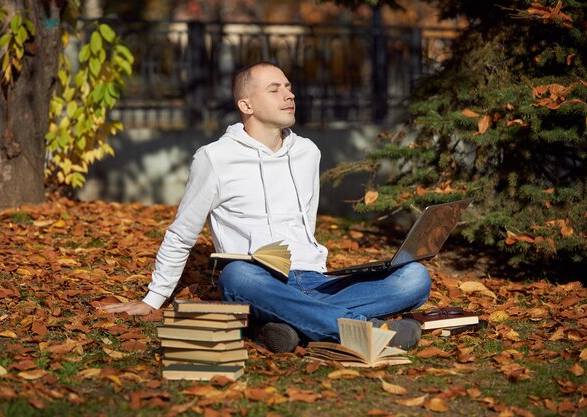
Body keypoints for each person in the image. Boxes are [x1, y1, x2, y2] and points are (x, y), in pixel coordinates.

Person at [101, 62, 431, 352]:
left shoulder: (308, 152)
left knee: (414, 277)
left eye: (288, 87)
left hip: (317, 281)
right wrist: (153, 298)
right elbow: (182, 233)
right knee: (237, 276)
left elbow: (306, 224)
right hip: (260, 279)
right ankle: (368, 332)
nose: (288, 95)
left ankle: (288, 326)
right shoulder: (215, 158)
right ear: (246, 104)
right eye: (274, 89)